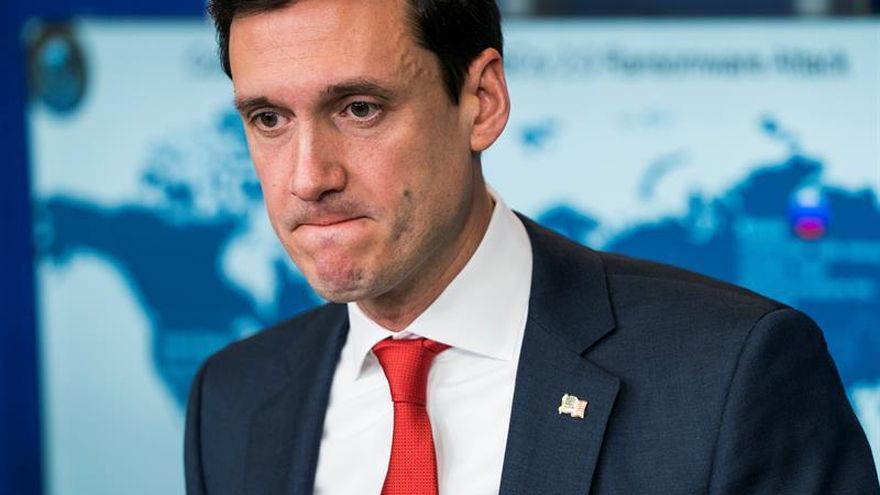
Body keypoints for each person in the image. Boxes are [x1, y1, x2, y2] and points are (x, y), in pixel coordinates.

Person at [184, 0, 880, 493]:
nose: (308, 178)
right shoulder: (232, 398)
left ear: (482, 102)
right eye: (269, 119)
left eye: (359, 108)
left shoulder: (732, 373)